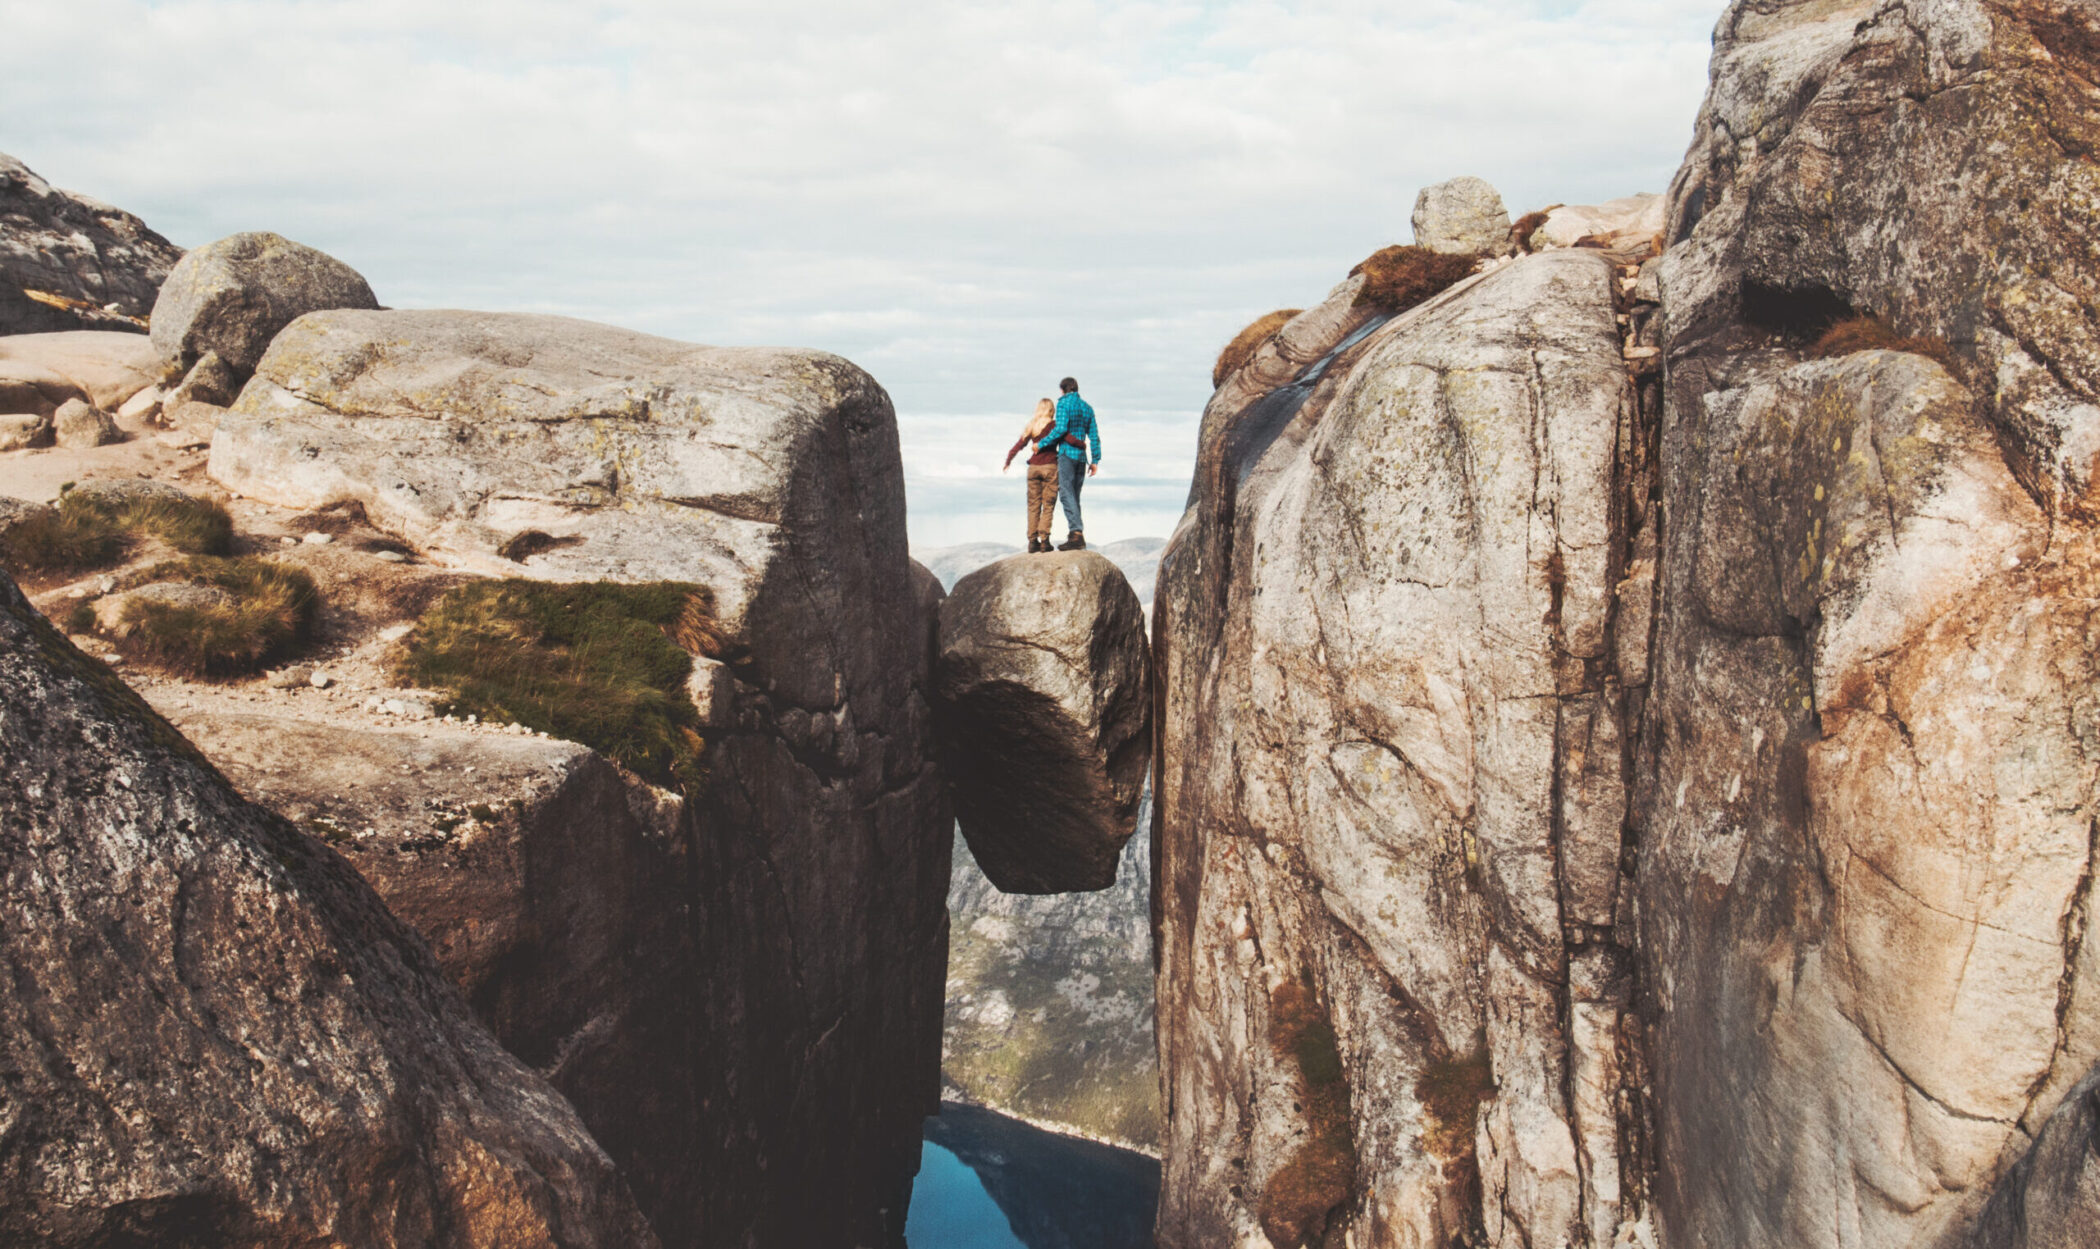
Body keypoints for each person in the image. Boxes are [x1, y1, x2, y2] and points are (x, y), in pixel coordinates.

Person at [1036, 376, 1100, 550]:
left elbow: (1061, 428)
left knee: (1065, 494)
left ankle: (1076, 532)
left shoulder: (1064, 404)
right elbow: (1094, 436)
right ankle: (1075, 534)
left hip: (1066, 454)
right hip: (1081, 458)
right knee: (1074, 496)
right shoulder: (1087, 408)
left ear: (1063, 389)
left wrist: (1041, 444)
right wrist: (1095, 460)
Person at [1002, 397, 1061, 552]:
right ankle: (1044, 541)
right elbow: (1066, 441)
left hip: (1033, 468)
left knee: (1033, 505)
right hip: (1050, 467)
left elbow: (1019, 445)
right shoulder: (1055, 426)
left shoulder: (1032, 426)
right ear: (1051, 410)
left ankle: (1032, 541)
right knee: (1048, 504)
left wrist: (1009, 460)